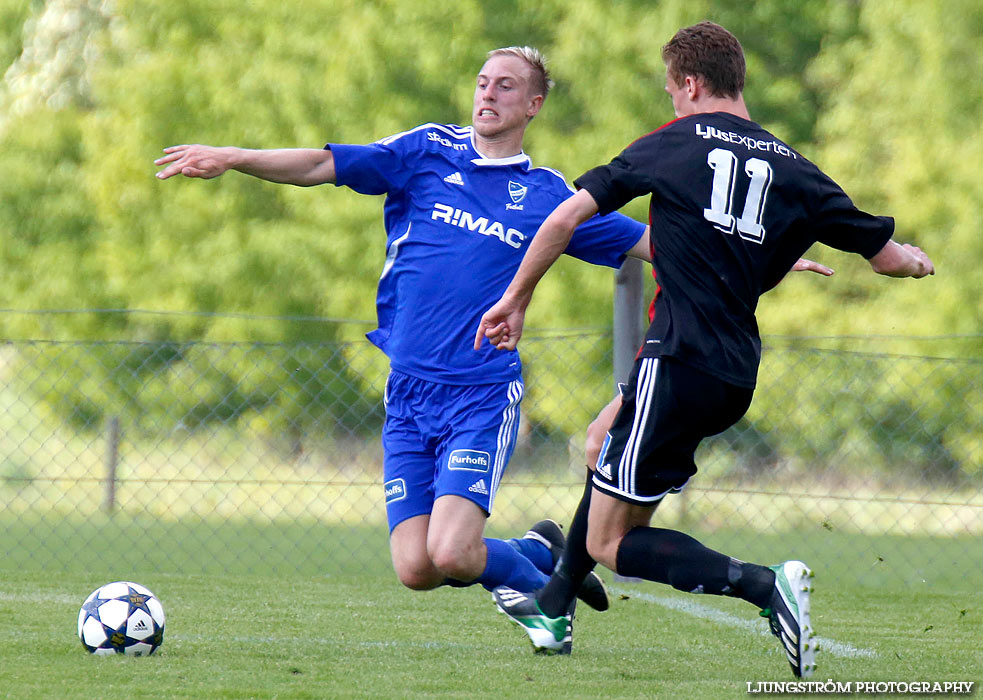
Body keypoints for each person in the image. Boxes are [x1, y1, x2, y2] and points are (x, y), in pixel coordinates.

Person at [476, 22, 934, 678]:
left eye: (671, 91)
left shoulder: (672, 144)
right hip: (730, 373)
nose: (671, 103)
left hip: (677, 360)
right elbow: (885, 258)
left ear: (690, 84)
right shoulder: (794, 169)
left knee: (611, 541)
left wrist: (516, 298)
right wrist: (916, 264)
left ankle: (760, 584)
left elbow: (563, 218)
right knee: (604, 439)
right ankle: (553, 603)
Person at [154, 47, 654, 622]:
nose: (488, 94)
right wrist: (236, 157)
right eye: (483, 82)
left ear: (534, 105)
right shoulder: (428, 151)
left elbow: (650, 243)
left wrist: (761, 256)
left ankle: (550, 599)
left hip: (480, 394)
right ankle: (536, 554)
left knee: (452, 552)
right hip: (408, 392)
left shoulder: (549, 198)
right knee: (417, 569)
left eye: (507, 87)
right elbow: (322, 165)